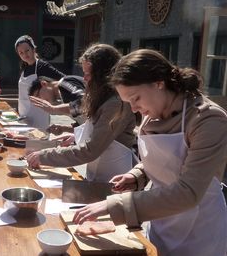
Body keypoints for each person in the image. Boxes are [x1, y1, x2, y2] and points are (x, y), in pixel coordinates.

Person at [73, 49, 227, 256]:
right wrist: (137, 175)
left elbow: (188, 192)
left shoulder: (207, 120)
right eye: (128, 103)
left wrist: (115, 205)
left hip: (200, 232)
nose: (134, 109)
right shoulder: (152, 113)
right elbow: (162, 159)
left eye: (135, 98)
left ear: (158, 82)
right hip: (161, 221)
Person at [26, 44, 136, 182]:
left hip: (117, 178)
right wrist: (75, 136)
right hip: (98, 175)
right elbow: (96, 128)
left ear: (103, 74)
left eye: (88, 74)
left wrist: (44, 156)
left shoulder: (116, 103)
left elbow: (91, 149)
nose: (84, 78)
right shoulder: (101, 96)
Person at [15, 35, 65, 128]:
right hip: (23, 113)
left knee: (39, 139)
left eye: (27, 50)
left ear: (33, 49)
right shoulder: (24, 68)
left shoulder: (42, 66)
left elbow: (63, 79)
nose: (25, 55)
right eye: (21, 53)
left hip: (39, 114)